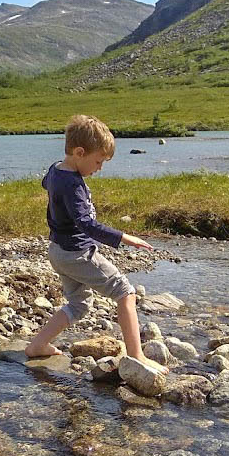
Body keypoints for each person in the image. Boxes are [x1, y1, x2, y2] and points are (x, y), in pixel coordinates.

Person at [24, 114, 167, 373]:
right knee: (126, 293)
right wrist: (123, 237)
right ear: (80, 152)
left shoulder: (57, 169)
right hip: (77, 254)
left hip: (58, 251)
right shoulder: (73, 185)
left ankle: (37, 346)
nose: (99, 168)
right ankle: (137, 356)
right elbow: (86, 225)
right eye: (98, 161)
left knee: (79, 305)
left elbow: (46, 183)